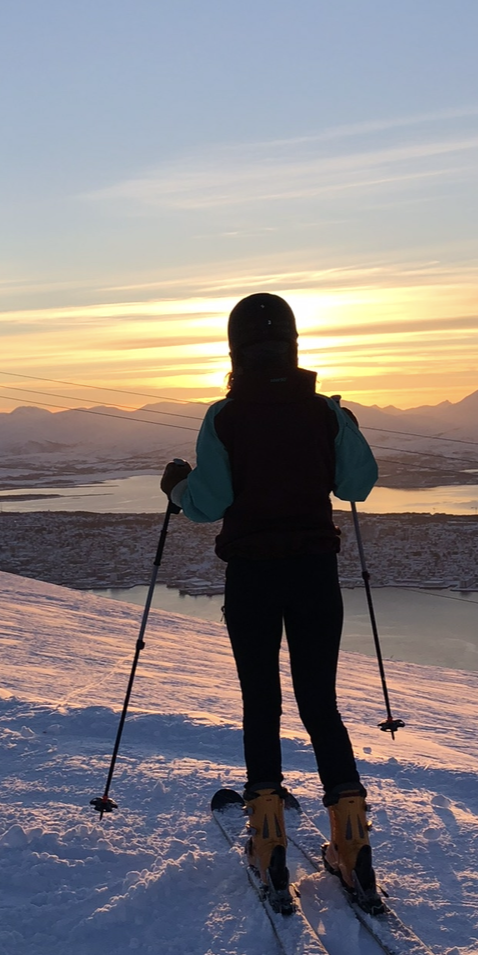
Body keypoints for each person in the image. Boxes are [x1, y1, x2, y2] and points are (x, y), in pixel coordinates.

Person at [160, 292, 380, 919]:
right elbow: (358, 484)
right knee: (320, 704)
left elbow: (207, 503)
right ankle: (353, 848)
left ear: (235, 350)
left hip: (252, 579)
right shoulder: (324, 412)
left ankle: (268, 843)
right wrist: (348, 427)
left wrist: (176, 485)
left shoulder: (225, 417)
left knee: (262, 701)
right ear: (293, 344)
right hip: (315, 577)